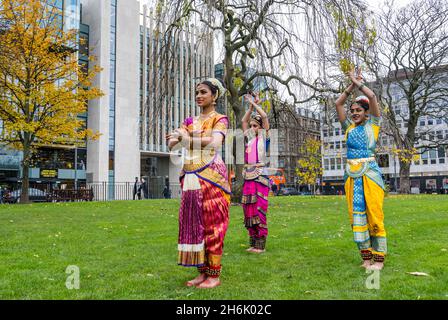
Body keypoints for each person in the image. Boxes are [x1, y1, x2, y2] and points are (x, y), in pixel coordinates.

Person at [166, 77, 230, 289]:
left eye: (203, 92)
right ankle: (201, 273)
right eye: (197, 92)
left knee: (213, 225)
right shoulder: (189, 120)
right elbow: (170, 145)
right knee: (195, 225)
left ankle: (214, 274)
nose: (198, 96)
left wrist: (184, 138)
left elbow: (214, 143)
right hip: (191, 176)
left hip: (212, 176)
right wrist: (181, 137)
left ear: (214, 96)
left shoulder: (220, 119)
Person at [335, 67, 387, 270]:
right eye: (353, 111)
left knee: (374, 213)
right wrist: (349, 86)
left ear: (366, 113)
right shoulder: (348, 127)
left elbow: (372, 96)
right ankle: (366, 258)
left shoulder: (373, 124)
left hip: (370, 175)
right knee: (356, 215)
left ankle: (379, 260)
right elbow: (338, 103)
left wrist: (358, 83)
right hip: (352, 176)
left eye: (359, 110)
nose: (355, 113)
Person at [241, 92, 270, 253]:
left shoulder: (265, 136)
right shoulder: (250, 139)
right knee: (248, 207)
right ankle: (253, 241)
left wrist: (256, 105)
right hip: (248, 175)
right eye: (251, 126)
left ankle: (261, 244)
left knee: (259, 207)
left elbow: (264, 116)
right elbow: (243, 120)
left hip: (260, 176)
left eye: (255, 126)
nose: (252, 128)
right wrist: (250, 106)